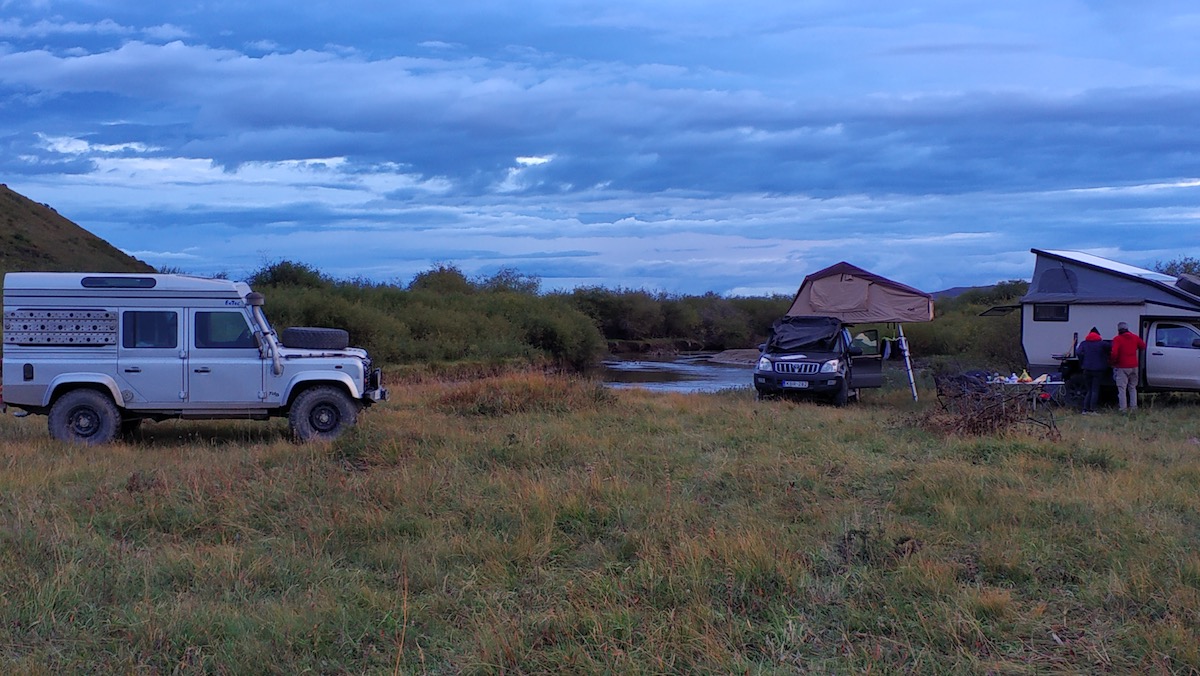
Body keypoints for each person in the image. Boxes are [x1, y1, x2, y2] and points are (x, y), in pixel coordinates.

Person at [1109, 321, 1147, 411]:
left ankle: (1123, 409)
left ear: (1119, 330)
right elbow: (1143, 346)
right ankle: (1134, 407)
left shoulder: (1117, 339)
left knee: (1122, 388)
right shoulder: (1135, 337)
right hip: (1134, 366)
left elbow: (1114, 353)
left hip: (1122, 367)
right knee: (1132, 387)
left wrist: (1112, 362)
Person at [1074, 327, 1108, 414]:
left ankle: (1085, 409)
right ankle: (1093, 410)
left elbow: (1078, 352)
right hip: (1098, 370)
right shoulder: (1102, 344)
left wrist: (1082, 361)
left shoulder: (1084, 343)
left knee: (1089, 390)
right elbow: (1111, 349)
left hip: (1086, 369)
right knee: (1095, 390)